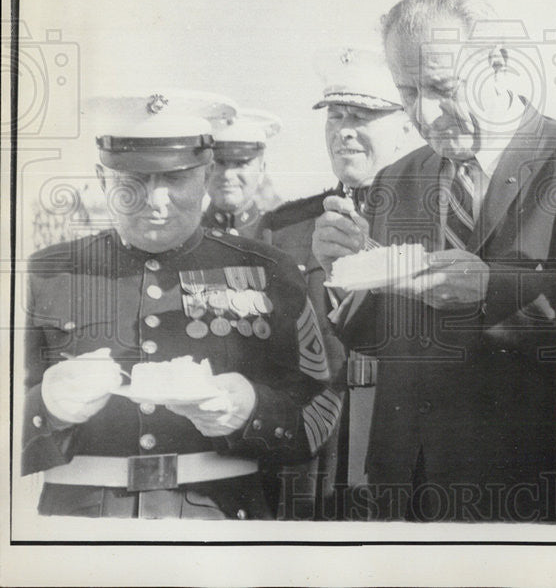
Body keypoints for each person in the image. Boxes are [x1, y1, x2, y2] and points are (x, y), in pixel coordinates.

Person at [313, 0, 556, 523]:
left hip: (544, 488)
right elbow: (374, 338)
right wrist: (347, 271)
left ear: (498, 64)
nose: (425, 114)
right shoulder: (396, 179)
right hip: (411, 490)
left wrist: (493, 291)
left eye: (441, 87)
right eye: (407, 92)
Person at [21, 90, 341, 519]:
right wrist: (46, 407)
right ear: (102, 179)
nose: (156, 202)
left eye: (176, 179)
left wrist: (250, 408)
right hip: (83, 527)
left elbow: (319, 412)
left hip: (221, 522)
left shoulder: (268, 270)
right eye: (132, 181)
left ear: (206, 174)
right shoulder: (43, 274)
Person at [260, 47, 421, 519]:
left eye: (364, 115)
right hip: (315, 459)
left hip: (409, 452)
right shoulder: (283, 230)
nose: (344, 130)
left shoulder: (445, 221)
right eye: (335, 115)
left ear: (408, 125)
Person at [203, 108, 282, 239]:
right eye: (219, 162)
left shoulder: (284, 236)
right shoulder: (182, 235)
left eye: (240, 164)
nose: (228, 175)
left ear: (261, 170)